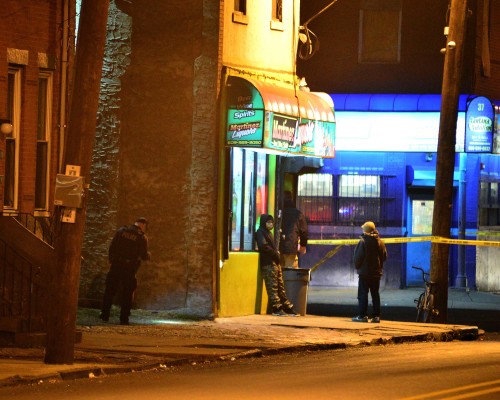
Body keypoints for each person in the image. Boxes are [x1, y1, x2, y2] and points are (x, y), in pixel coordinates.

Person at [100, 217, 151, 325]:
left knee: (109, 291)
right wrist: (148, 255)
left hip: (116, 265)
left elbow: (112, 246)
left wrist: (112, 260)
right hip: (129, 268)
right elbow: (144, 255)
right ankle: (124, 319)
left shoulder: (121, 231)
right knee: (127, 294)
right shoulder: (141, 237)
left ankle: (104, 315)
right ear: (143, 225)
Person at [255, 214, 297, 316]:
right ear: (263, 222)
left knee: (280, 286)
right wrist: (275, 254)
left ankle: (286, 306)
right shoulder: (260, 232)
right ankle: (276, 308)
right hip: (268, 263)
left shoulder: (269, 233)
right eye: (268, 222)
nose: (270, 224)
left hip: (274, 263)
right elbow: (263, 246)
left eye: (271, 222)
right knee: (273, 287)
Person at [352, 221, 387, 323]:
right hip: (376, 273)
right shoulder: (380, 242)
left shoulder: (363, 242)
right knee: (375, 294)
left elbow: (358, 258)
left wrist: (358, 267)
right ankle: (376, 316)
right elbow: (384, 256)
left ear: (365, 230)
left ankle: (363, 316)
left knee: (363, 294)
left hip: (364, 273)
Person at [279, 190, 308, 269]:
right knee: (290, 272)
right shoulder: (297, 214)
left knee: (279, 272)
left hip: (277, 248)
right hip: (290, 247)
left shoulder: (278, 212)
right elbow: (304, 231)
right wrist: (303, 245)